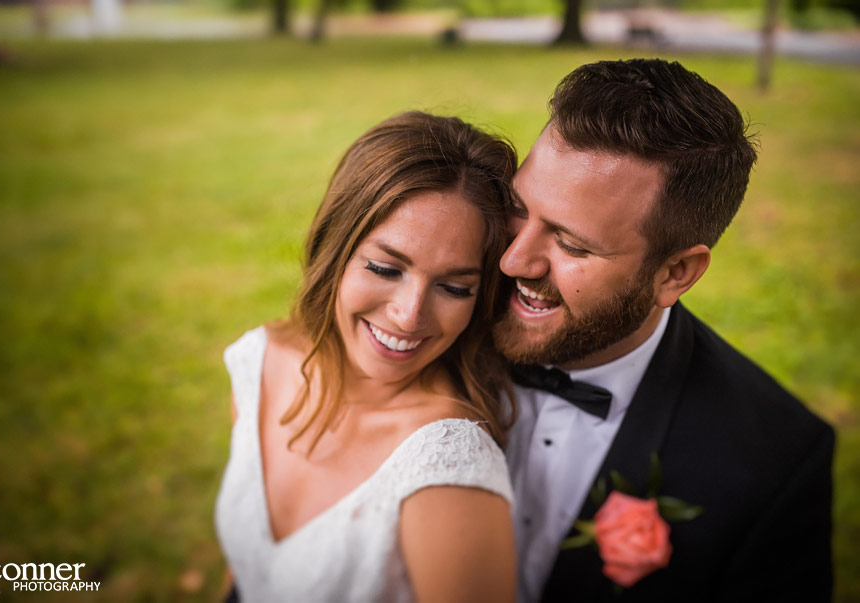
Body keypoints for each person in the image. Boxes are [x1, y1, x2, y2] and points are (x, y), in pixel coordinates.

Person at [498, 59, 834, 602]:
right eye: (517, 208)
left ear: (675, 273)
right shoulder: (424, 327)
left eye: (572, 245)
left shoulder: (775, 464)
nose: (514, 261)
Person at [215, 111, 519, 602]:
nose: (408, 314)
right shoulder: (261, 364)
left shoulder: (447, 467)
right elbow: (245, 573)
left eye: (453, 287)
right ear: (335, 246)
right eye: (384, 267)